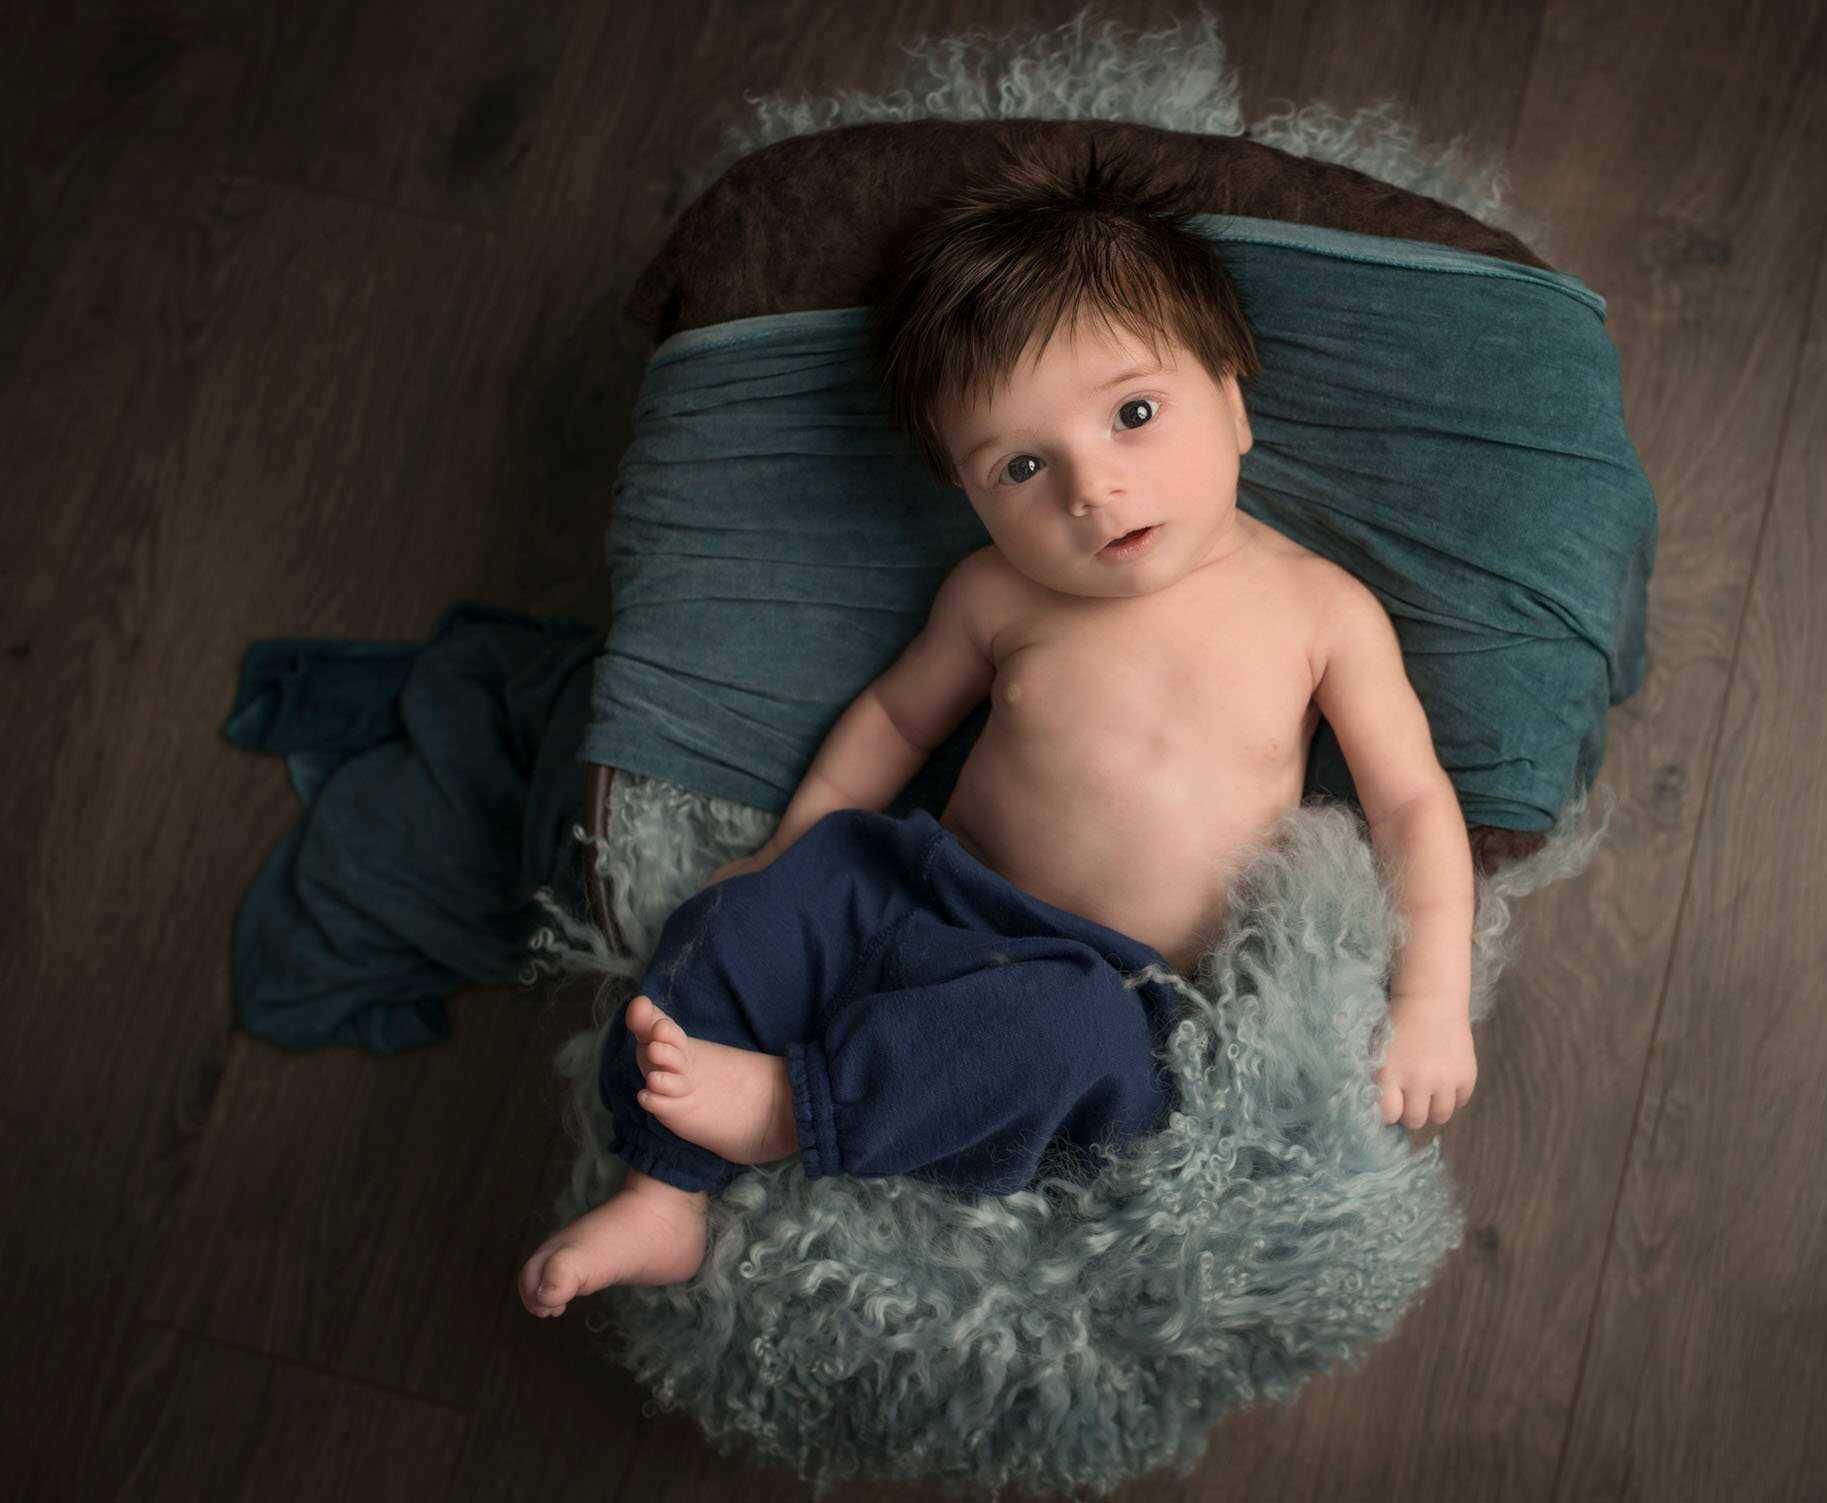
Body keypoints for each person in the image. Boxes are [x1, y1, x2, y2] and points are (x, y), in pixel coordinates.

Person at [520, 137, 1478, 1319]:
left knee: (1064, 1047)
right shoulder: (994, 594)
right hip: (920, 892)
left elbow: (1412, 804)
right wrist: (798, 848)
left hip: (1108, 978)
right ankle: (663, 1191)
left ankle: (789, 1110)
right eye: (1022, 464)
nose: (1090, 489)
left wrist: (1429, 997)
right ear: (968, 491)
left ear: (1232, 397)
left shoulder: (1319, 610)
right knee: (734, 926)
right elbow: (891, 716)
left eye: (1134, 412)